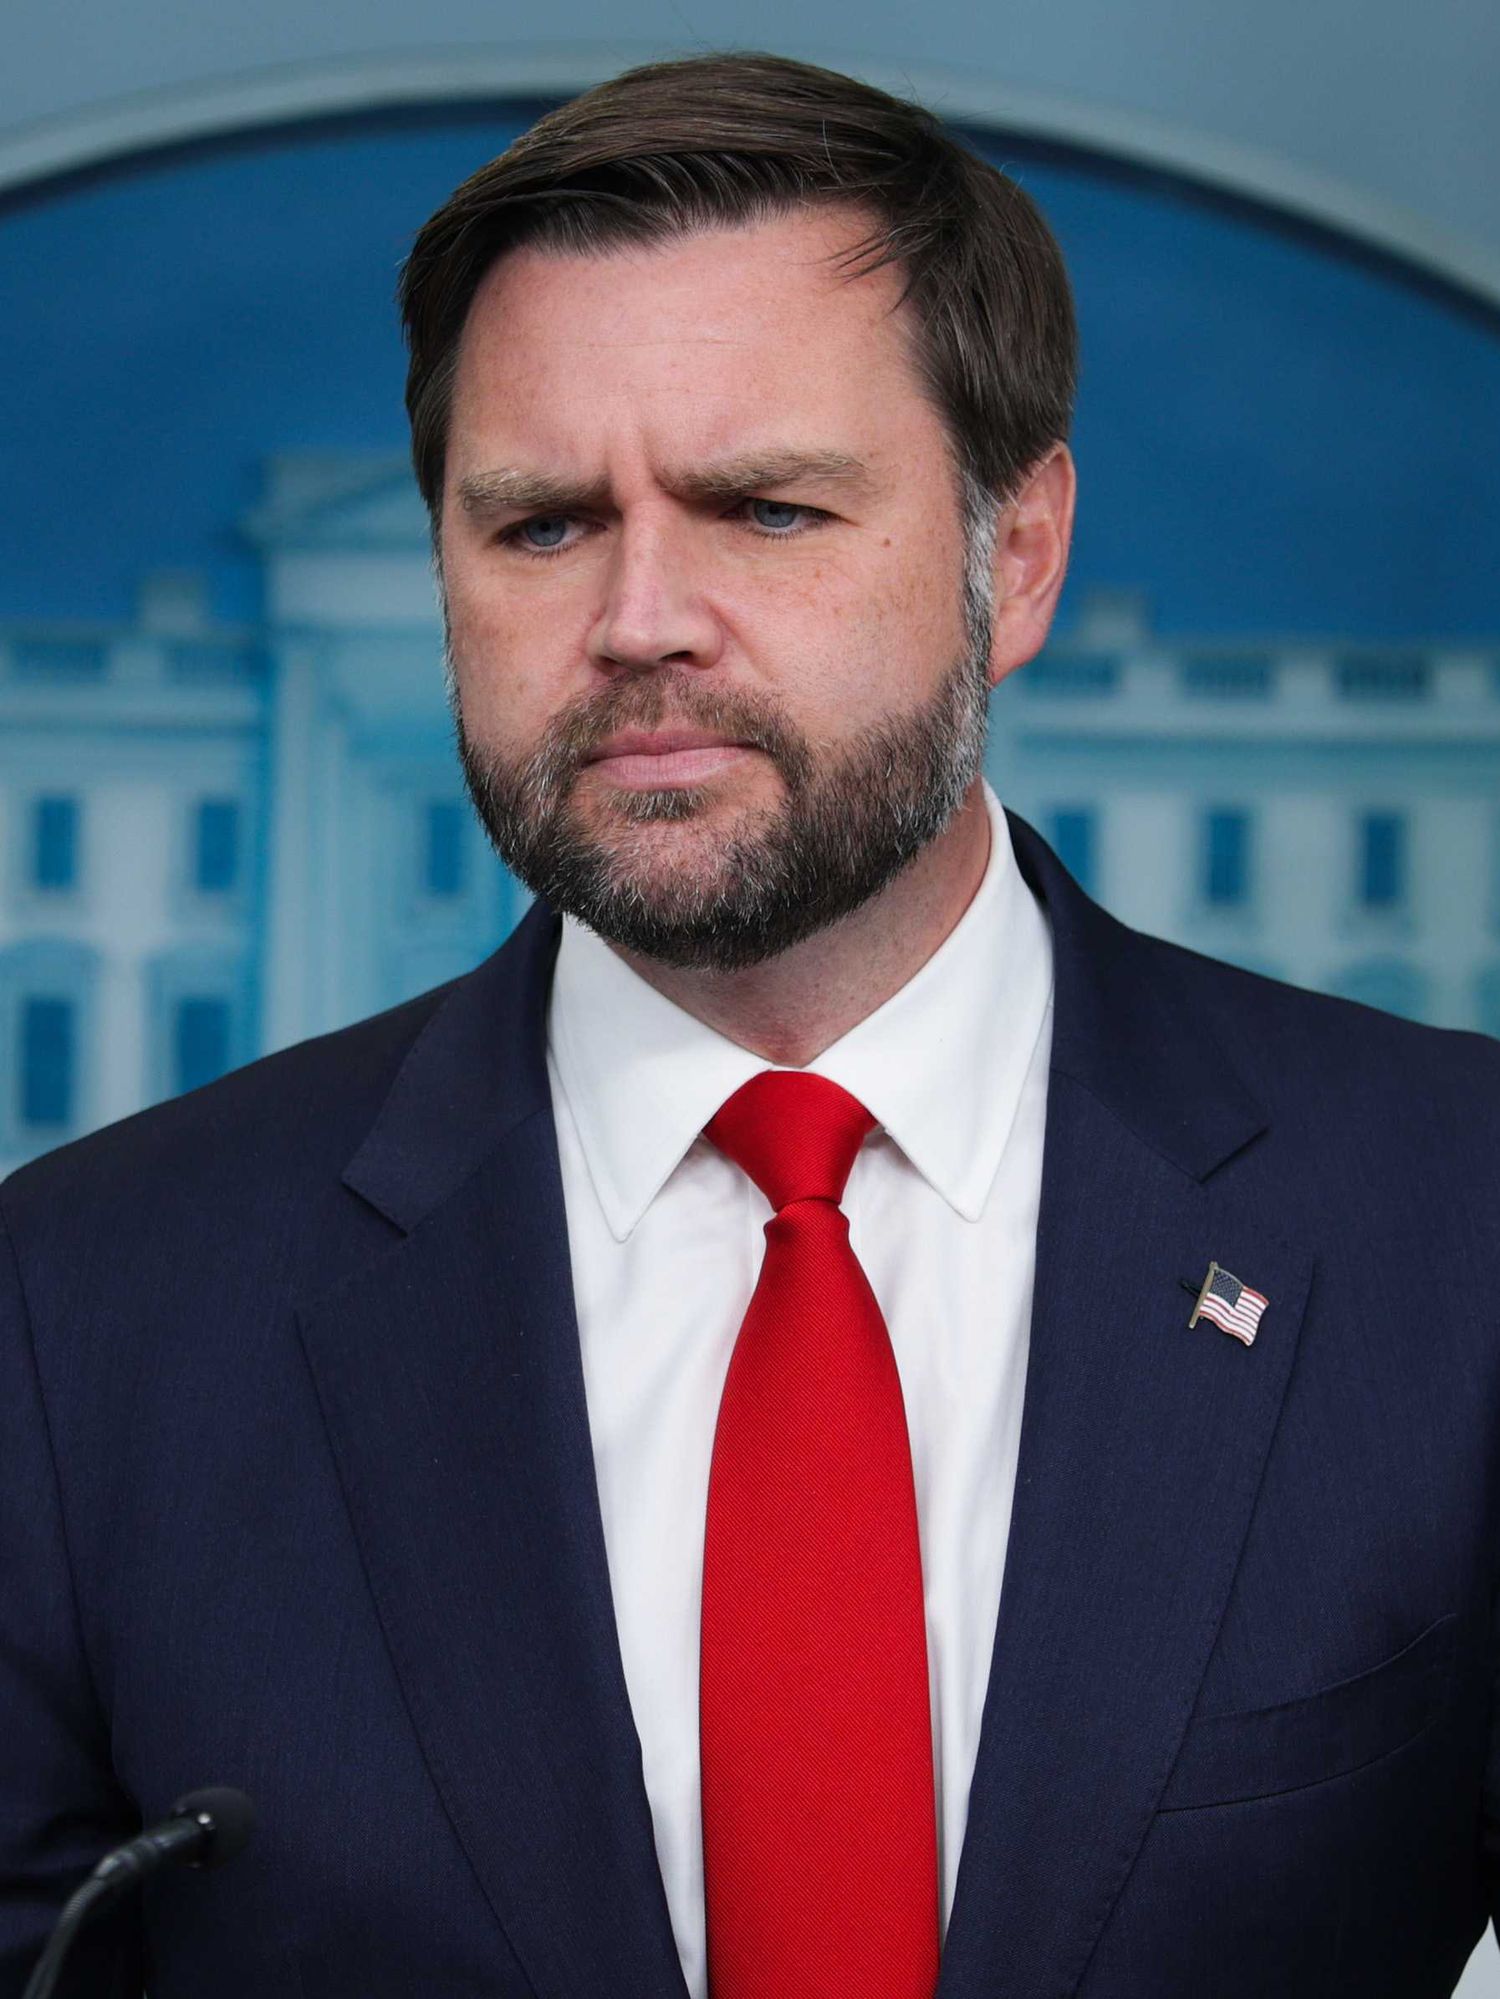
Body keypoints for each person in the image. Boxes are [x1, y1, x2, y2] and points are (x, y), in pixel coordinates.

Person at [1, 48, 1496, 1999]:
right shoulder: (83, 1316)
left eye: (767, 509)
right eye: (539, 524)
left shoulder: (1458, 1225)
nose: (639, 616)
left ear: (1014, 556)